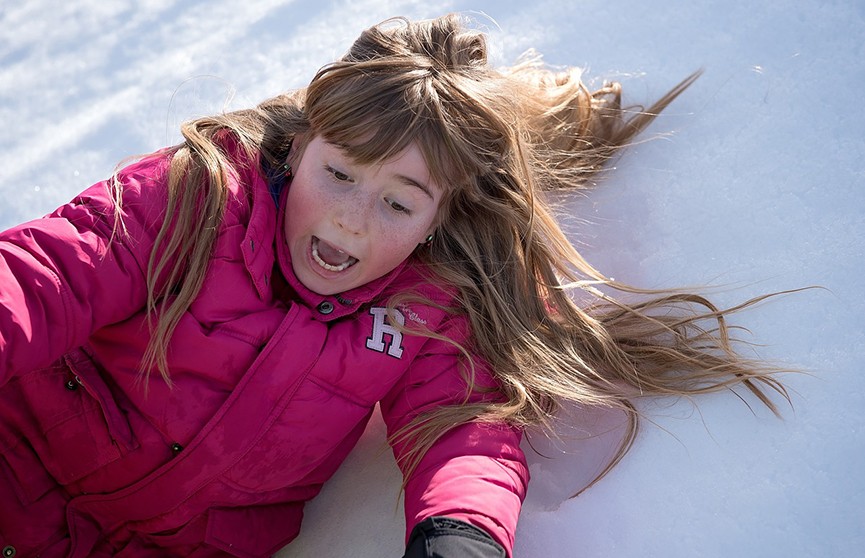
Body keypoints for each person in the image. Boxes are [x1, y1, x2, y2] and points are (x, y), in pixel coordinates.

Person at [0, 13, 788, 558]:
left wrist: (462, 533)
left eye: (397, 202)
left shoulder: (429, 304)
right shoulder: (196, 199)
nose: (349, 219)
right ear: (299, 143)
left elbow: (465, 427)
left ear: (440, 216)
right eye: (337, 173)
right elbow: (43, 277)